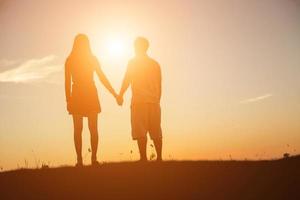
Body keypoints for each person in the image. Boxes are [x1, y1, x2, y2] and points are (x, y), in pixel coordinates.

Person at [65, 34, 118, 167]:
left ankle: (93, 158)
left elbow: (101, 77)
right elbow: (66, 82)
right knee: (79, 129)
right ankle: (79, 160)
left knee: (92, 128)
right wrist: (68, 100)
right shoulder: (70, 60)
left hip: (89, 93)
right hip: (77, 94)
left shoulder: (91, 59)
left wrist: (113, 93)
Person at [117, 37, 163, 162]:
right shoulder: (155, 64)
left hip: (139, 101)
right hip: (153, 102)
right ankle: (159, 158)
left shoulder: (133, 63)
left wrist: (120, 95)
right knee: (156, 131)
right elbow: (160, 84)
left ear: (137, 47)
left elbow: (127, 79)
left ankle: (143, 159)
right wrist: (157, 100)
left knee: (140, 131)